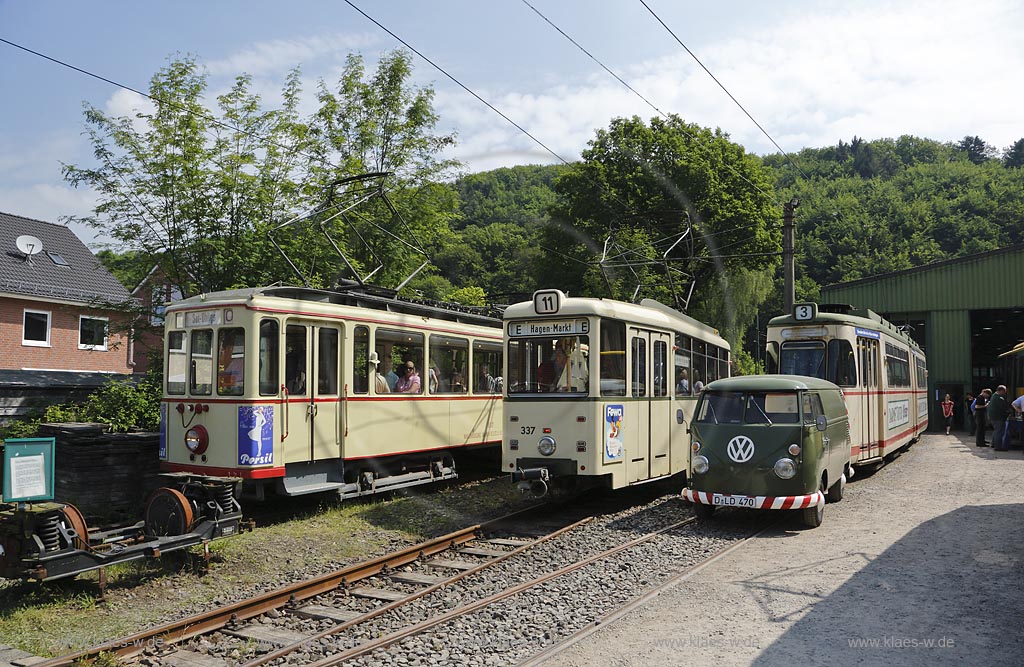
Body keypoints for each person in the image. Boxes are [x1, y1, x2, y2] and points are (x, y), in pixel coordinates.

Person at [988, 385, 1011, 451]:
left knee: (996, 431)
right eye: (1005, 391)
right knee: (999, 431)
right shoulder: (998, 398)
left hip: (994, 417)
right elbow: (1002, 407)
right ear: (1001, 390)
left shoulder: (994, 396)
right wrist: (1008, 412)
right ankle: (998, 447)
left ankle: (993, 444)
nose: (1005, 392)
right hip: (998, 417)